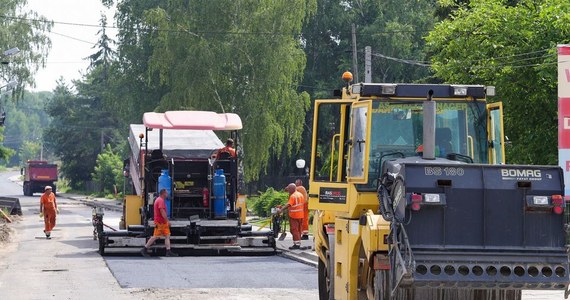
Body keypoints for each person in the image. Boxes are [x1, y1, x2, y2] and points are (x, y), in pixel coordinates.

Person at [140, 189, 178, 257]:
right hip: (160, 223)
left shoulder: (159, 199)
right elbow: (162, 212)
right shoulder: (160, 200)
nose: (167, 194)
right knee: (155, 237)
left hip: (162, 222)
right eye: (166, 193)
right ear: (163, 193)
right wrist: (167, 221)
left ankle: (168, 251)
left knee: (167, 236)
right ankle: (144, 249)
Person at [278, 183, 306, 250]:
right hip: (301, 215)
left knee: (294, 230)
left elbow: (289, 204)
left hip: (294, 216)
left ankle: (296, 244)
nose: (288, 190)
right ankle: (298, 243)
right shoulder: (300, 194)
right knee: (299, 230)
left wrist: (281, 209)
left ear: (291, 189)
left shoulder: (293, 196)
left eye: (289, 189)